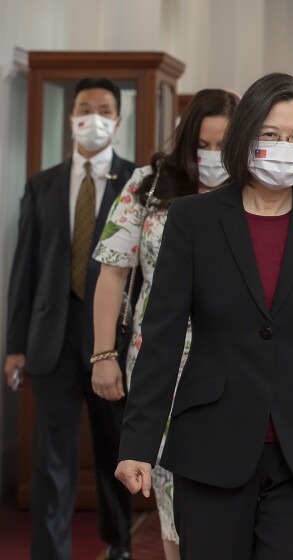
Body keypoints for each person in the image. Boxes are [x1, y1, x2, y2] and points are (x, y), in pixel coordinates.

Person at [113, 73, 293, 559]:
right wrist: (138, 441)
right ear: (245, 138)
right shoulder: (193, 218)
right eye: (271, 135)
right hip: (212, 443)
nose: (285, 147)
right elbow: (164, 336)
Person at [91, 88, 239, 560]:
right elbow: (113, 273)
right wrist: (103, 355)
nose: (214, 156)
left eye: (225, 144)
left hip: (236, 359)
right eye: (204, 144)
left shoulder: (258, 185)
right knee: (169, 485)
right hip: (160, 361)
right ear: (186, 139)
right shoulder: (149, 183)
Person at [4, 77, 135, 560]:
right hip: (50, 339)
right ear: (71, 116)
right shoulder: (42, 184)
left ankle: (118, 541)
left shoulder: (137, 181)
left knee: (114, 450)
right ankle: (50, 552)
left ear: (118, 120)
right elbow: (25, 270)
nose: (94, 116)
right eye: (85, 107)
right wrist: (15, 345)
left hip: (112, 344)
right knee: (51, 459)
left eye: (104, 108)